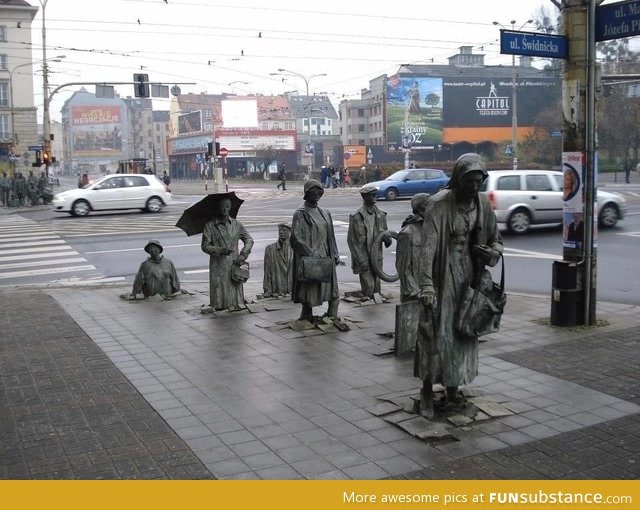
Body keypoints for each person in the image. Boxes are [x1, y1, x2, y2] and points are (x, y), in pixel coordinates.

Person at [417, 153, 503, 417]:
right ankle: (427, 392)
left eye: (479, 182)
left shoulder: (482, 205)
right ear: (458, 180)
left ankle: (453, 387)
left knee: (463, 335)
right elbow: (427, 250)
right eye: (470, 182)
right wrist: (427, 287)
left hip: (470, 277)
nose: (475, 187)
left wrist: (491, 253)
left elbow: (496, 241)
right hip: (443, 277)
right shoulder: (439, 204)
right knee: (437, 336)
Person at [290, 179, 341, 321]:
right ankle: (306, 314)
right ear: (307, 194)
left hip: (326, 255)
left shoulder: (325, 212)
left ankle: (332, 314)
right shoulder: (300, 213)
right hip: (311, 257)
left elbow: (331, 236)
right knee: (310, 288)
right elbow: (295, 238)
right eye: (314, 192)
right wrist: (310, 252)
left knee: (332, 289)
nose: (317, 194)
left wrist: (335, 254)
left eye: (319, 192)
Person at [201, 197, 254, 311]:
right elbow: (205, 246)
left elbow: (249, 240)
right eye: (222, 206)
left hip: (235, 263)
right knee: (220, 292)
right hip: (218, 264)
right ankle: (220, 306)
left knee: (235, 291)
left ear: (230, 208)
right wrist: (219, 250)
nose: (224, 209)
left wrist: (243, 254)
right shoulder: (210, 225)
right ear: (218, 208)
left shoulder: (237, 225)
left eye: (227, 207)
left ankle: (235, 304)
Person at [347, 186, 391, 298]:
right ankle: (368, 298)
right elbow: (352, 241)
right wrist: (360, 259)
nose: (375, 197)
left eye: (375, 195)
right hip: (364, 257)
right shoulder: (356, 217)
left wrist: (387, 239)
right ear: (364, 196)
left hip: (377, 258)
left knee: (376, 290)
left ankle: (374, 302)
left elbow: (388, 241)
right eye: (372, 195)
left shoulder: (381, 215)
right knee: (369, 288)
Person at [396, 193, 430, 303]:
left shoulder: (433, 229)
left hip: (431, 290)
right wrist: (415, 292)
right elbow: (403, 268)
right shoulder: (407, 233)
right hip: (416, 295)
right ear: (420, 208)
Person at [263, 223, 293, 297]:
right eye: (280, 230)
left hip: (292, 291)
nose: (281, 232)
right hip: (277, 290)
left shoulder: (296, 249)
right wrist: (267, 290)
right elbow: (267, 272)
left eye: (284, 230)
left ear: (290, 232)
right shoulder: (270, 249)